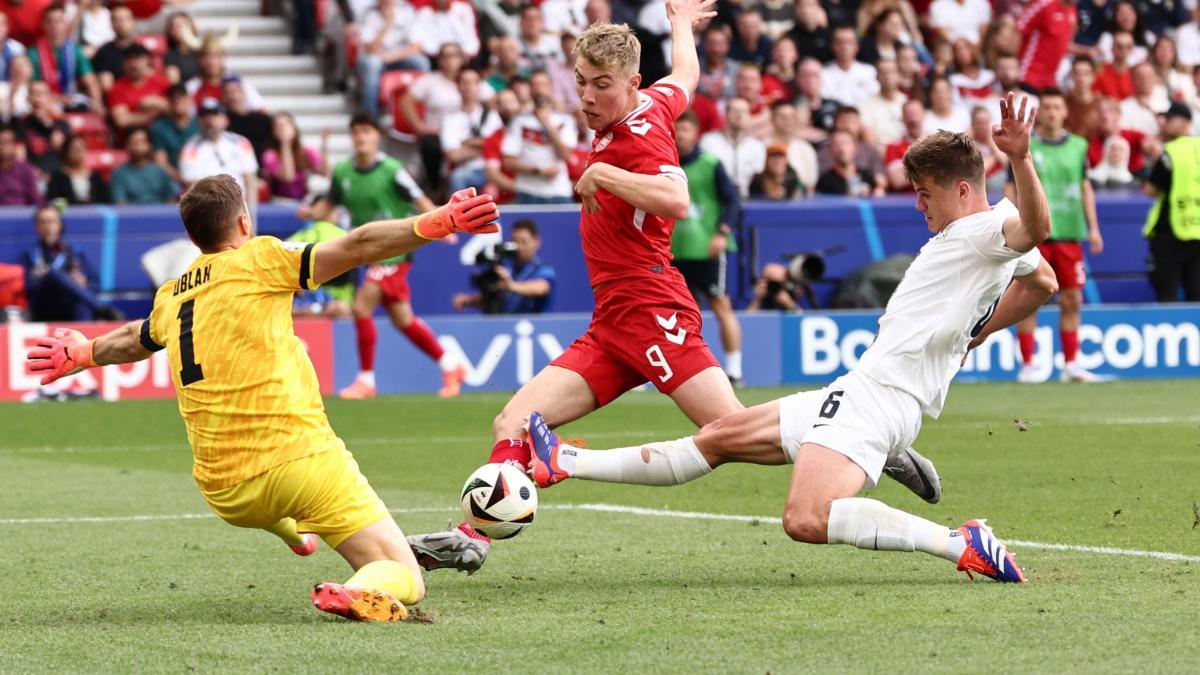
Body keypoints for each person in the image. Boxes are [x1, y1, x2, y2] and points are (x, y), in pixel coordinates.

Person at [408, 0, 946, 573]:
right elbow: (685, 75)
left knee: (730, 433)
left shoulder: (638, 140)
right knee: (511, 422)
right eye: (582, 84)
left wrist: (602, 172)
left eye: (600, 86)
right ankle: (474, 535)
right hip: (612, 323)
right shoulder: (653, 101)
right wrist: (681, 25)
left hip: (653, 309)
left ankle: (873, 440)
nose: (587, 96)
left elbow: (676, 198)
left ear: (631, 84)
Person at [525, 93, 1062, 586]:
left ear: (963, 190)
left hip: (882, 400)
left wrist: (1021, 158)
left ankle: (959, 542)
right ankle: (563, 462)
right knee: (719, 434)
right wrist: (975, 333)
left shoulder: (986, 232)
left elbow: (1036, 234)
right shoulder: (983, 233)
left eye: (926, 195)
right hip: (862, 389)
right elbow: (1042, 281)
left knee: (805, 518)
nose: (920, 206)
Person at [26, 174, 501, 623]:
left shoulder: (171, 296)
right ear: (243, 224)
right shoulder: (260, 258)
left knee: (275, 504)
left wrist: (84, 352)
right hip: (299, 463)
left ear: (194, 240)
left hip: (226, 492)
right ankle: (359, 586)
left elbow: (137, 337)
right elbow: (357, 246)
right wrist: (438, 221)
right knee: (405, 579)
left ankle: (297, 536)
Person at [312, 113, 467, 400]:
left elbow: (418, 197)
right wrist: (309, 213)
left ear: (376, 137)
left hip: (394, 251)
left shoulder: (392, 169)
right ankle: (451, 365)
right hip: (367, 252)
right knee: (402, 319)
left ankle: (367, 380)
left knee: (361, 307)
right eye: (356, 131)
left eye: (366, 132)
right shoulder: (343, 171)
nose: (361, 137)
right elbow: (328, 205)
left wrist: (443, 223)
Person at [1009, 89, 1102, 383]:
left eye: (1056, 107)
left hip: (1069, 233)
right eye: (1046, 107)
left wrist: (1094, 227)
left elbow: (1084, 186)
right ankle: (1028, 363)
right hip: (1035, 234)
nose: (1051, 112)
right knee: (1027, 296)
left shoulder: (1079, 146)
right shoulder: (1026, 144)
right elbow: (1012, 187)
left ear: (1065, 112)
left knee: (1072, 298)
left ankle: (1071, 364)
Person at [673, 110, 745, 384]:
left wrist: (722, 233)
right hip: (673, 251)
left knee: (721, 305)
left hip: (707, 250)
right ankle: (681, 371)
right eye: (677, 130)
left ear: (696, 133)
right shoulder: (662, 164)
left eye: (686, 130)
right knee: (676, 314)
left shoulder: (710, 164)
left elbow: (733, 201)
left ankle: (735, 370)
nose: (681, 135)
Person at [19, 204, 119, 321]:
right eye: (43, 222)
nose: (48, 226)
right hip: (44, 306)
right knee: (53, 274)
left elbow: (94, 282)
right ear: (37, 227)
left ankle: (86, 338)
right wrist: (36, 278)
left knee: (81, 305)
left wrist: (84, 283)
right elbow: (26, 289)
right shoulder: (30, 253)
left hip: (68, 304)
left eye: (52, 222)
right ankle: (102, 309)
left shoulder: (74, 251)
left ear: (60, 225)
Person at [1142, 103, 1200, 301]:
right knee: (1196, 295)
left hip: (1170, 229)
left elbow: (1151, 190)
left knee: (1167, 294)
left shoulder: (1170, 152)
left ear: (1184, 122)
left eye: (1169, 118)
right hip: (1197, 228)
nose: (1164, 123)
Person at [501, 71, 575, 204]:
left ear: (551, 88)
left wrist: (548, 124)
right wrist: (539, 171)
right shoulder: (519, 121)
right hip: (528, 191)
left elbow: (565, 154)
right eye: (535, 85)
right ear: (530, 89)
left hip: (558, 191)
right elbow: (508, 161)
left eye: (543, 85)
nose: (539, 90)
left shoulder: (565, 120)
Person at [452, 218, 556, 314]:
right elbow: (498, 298)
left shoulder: (543, 269)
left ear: (536, 241)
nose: (519, 247)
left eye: (524, 242)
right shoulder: (505, 266)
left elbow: (541, 288)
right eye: (515, 241)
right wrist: (468, 300)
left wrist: (511, 286)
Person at [356, 0, 428, 116]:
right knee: (372, 64)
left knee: (421, 62)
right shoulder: (368, 13)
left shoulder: (407, 10)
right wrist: (387, 24)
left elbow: (415, 47)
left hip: (401, 57)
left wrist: (391, 57)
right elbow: (371, 49)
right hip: (376, 58)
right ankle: (370, 114)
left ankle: (424, 108)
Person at [29, 4, 104, 113]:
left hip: (71, 99)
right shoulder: (33, 53)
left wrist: (97, 102)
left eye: (59, 21)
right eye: (51, 22)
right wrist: (58, 99)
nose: (55, 25)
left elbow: (90, 80)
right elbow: (32, 89)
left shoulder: (74, 50)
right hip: (45, 102)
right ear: (44, 25)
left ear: (65, 24)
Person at [179, 98, 258, 200]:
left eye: (214, 115)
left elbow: (250, 180)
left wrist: (250, 213)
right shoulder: (190, 148)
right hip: (209, 205)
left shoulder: (240, 142)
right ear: (198, 120)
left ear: (225, 119)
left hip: (240, 204)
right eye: (204, 115)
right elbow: (192, 185)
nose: (209, 120)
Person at [699, 97, 766, 197]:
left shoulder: (757, 146)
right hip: (714, 198)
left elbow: (758, 178)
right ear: (725, 114)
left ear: (749, 116)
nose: (739, 115)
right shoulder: (708, 141)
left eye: (744, 111)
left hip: (748, 200)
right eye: (734, 111)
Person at [262, 112, 329, 201]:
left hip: (301, 202)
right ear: (274, 132)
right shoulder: (270, 155)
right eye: (279, 126)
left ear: (294, 128)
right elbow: (288, 177)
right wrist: (285, 143)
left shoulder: (306, 151)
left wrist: (324, 145)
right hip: (278, 202)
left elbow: (324, 173)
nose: (283, 129)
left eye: (286, 124)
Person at [1016, 0, 1078, 94]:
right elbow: (1018, 30)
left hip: (1050, 81)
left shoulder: (1072, 10)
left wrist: (1088, 51)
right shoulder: (1044, 3)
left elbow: (1064, 43)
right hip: (1029, 76)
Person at [108, 43, 170, 131]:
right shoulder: (117, 89)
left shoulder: (160, 82)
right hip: (132, 136)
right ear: (123, 63)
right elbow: (122, 120)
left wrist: (154, 102)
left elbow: (173, 107)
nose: (134, 64)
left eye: (138, 58)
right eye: (129, 59)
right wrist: (156, 113)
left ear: (148, 61)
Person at [111, 127, 179, 204]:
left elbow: (170, 200)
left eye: (142, 142)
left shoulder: (160, 171)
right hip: (132, 214)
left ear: (149, 145)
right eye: (134, 142)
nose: (139, 147)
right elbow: (120, 203)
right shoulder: (119, 173)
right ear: (127, 145)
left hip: (160, 214)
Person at [150, 84, 198, 181]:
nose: (177, 100)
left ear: (190, 100)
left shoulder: (200, 124)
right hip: (172, 178)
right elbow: (161, 162)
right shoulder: (158, 127)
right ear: (168, 101)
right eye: (173, 97)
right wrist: (182, 178)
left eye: (181, 96)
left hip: (201, 174)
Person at [821, 25, 877, 107]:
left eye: (849, 42)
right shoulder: (823, 73)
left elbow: (873, 96)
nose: (844, 47)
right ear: (832, 46)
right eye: (840, 42)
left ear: (857, 46)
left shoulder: (869, 71)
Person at [816, 129, 883, 196]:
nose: (842, 148)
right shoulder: (824, 181)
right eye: (837, 144)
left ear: (855, 148)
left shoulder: (867, 176)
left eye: (846, 143)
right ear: (830, 150)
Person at [46, 134, 110, 204]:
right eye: (74, 149)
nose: (78, 152)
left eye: (81, 148)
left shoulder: (96, 177)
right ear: (66, 152)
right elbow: (53, 201)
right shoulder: (57, 177)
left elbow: (105, 201)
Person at [90, 5, 136, 91]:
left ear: (133, 22)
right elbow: (107, 87)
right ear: (111, 24)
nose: (122, 24)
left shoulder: (141, 50)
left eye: (126, 19)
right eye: (117, 20)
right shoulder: (104, 53)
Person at [0, 122, 38, 205]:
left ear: (14, 145)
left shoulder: (25, 169)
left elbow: (35, 198)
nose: (1, 147)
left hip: (21, 215)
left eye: (5, 142)